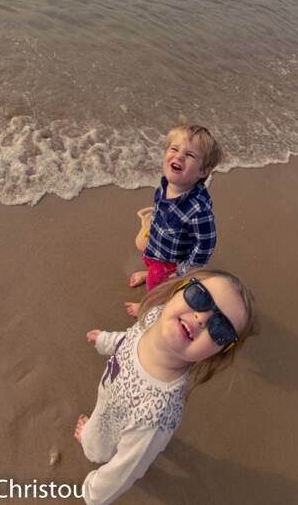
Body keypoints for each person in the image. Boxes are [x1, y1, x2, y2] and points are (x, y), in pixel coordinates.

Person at [75, 269, 256, 505]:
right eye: (200, 297)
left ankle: (93, 446)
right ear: (178, 290)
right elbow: (130, 339)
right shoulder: (154, 318)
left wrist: (93, 494)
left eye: (221, 328)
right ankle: (94, 435)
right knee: (100, 420)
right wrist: (105, 341)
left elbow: (125, 471)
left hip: (126, 424)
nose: (202, 318)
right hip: (109, 398)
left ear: (217, 353)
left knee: (99, 447)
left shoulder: (156, 414)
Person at [125, 124, 222, 316]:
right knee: (150, 264)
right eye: (174, 149)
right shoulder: (165, 185)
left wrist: (183, 270)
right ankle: (150, 272)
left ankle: (148, 307)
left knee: (158, 289)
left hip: (172, 262)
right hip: (157, 247)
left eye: (190, 155)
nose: (178, 156)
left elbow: (205, 246)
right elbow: (160, 209)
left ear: (204, 171)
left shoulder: (198, 210)